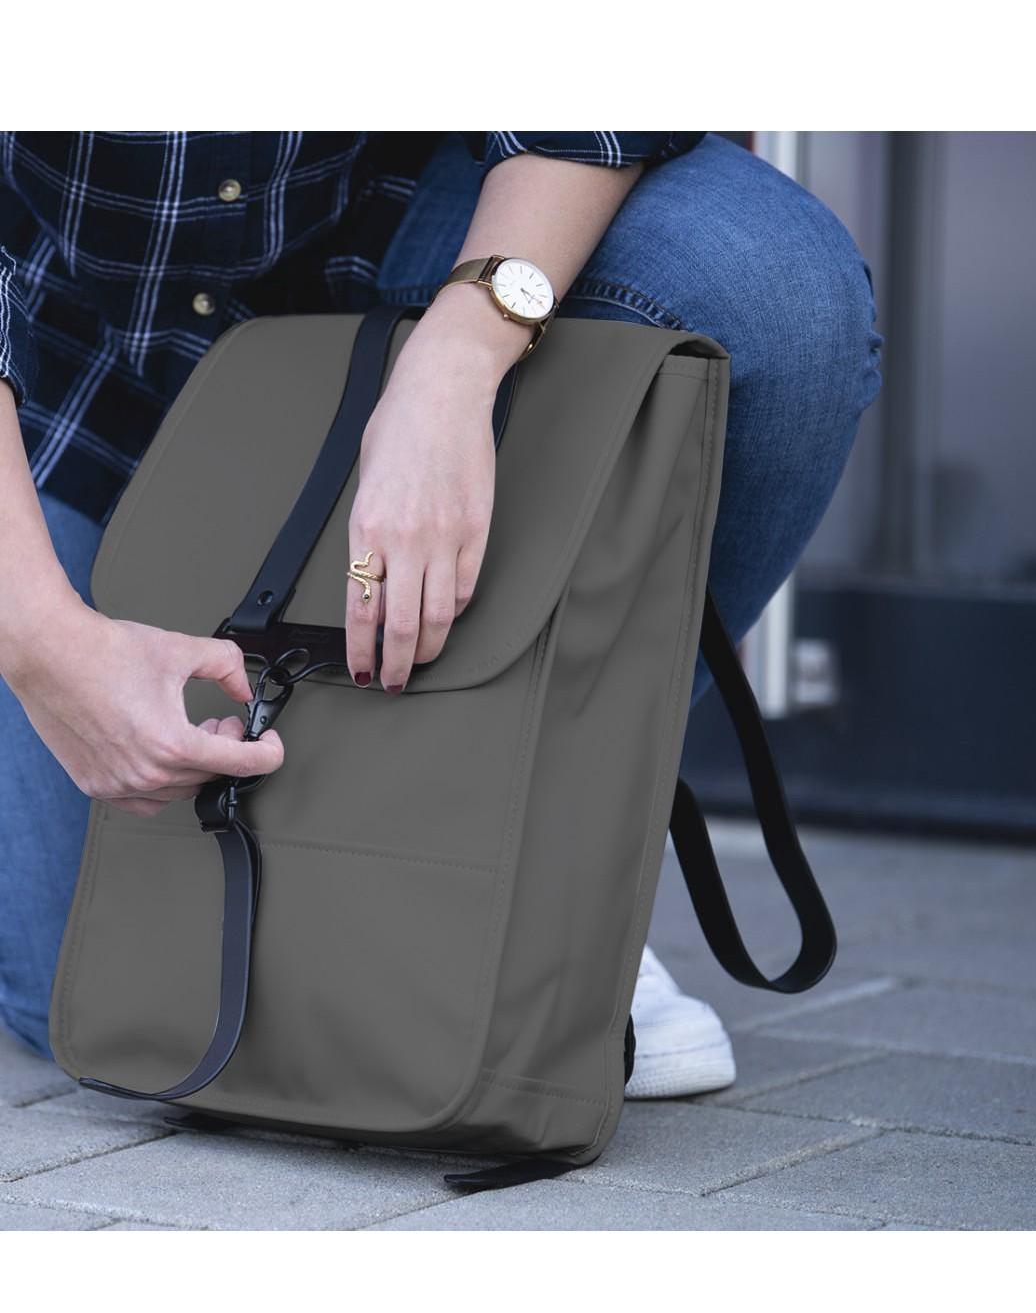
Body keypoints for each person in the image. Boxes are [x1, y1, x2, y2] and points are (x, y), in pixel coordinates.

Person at [0, 132, 883, 1098]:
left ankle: (548, 863)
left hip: (403, 247)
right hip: (82, 379)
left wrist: (459, 362)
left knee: (771, 285)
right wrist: (42, 643)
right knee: (91, 989)